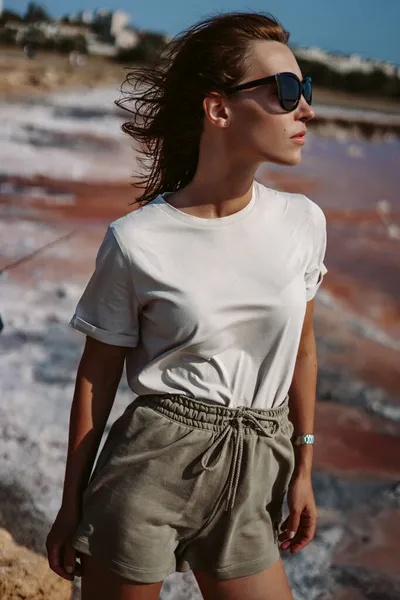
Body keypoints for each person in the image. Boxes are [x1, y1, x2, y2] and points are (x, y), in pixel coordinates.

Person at [46, 11, 327, 600]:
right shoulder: (137, 240)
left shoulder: (302, 222)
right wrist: (69, 505)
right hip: (152, 465)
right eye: (284, 91)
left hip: (259, 464)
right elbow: (96, 376)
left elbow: (302, 349)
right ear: (218, 108)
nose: (305, 109)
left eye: (306, 90)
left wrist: (303, 465)